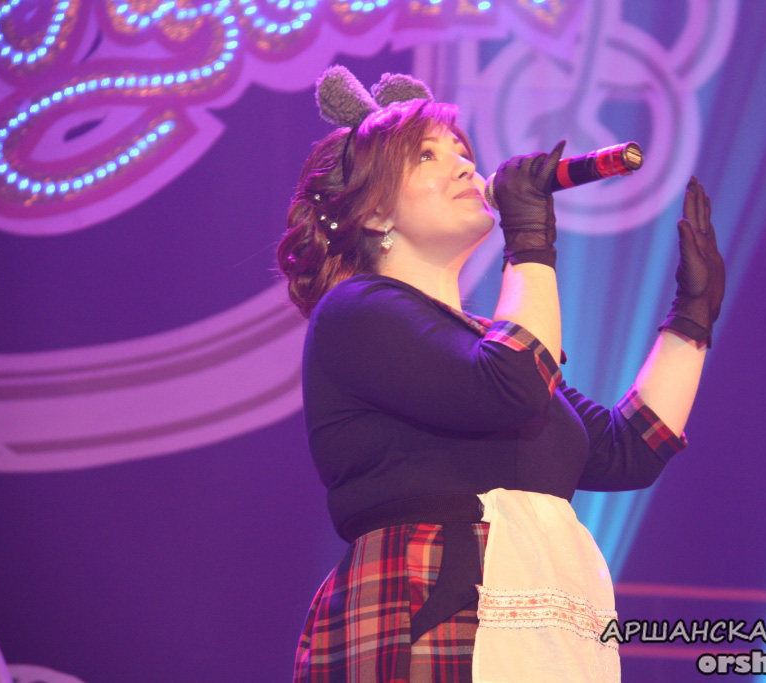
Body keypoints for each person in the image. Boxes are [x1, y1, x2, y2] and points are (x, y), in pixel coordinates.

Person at [277, 65, 724, 683]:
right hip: (434, 609)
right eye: (428, 155)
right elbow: (510, 386)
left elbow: (628, 452)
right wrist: (531, 239)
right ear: (375, 214)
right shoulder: (356, 312)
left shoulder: (491, 343)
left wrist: (692, 317)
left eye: (462, 151)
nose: (465, 166)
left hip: (544, 622)